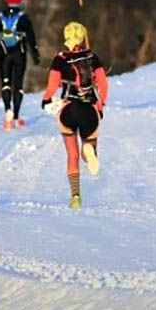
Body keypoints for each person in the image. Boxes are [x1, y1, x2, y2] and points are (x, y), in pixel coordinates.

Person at [41, 21, 109, 209]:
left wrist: (46, 99)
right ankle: (88, 151)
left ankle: (76, 197)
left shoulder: (60, 59)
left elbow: (52, 85)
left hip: (68, 110)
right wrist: (100, 105)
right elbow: (103, 84)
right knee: (89, 145)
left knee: (71, 155)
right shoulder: (92, 57)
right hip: (89, 110)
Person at [0, 0, 40, 130]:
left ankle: (7, 113)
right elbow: (31, 37)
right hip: (20, 54)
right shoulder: (23, 17)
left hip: (4, 55)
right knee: (18, 85)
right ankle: (16, 117)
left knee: (6, 84)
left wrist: (1, 48)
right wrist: (35, 55)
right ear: (19, 0)